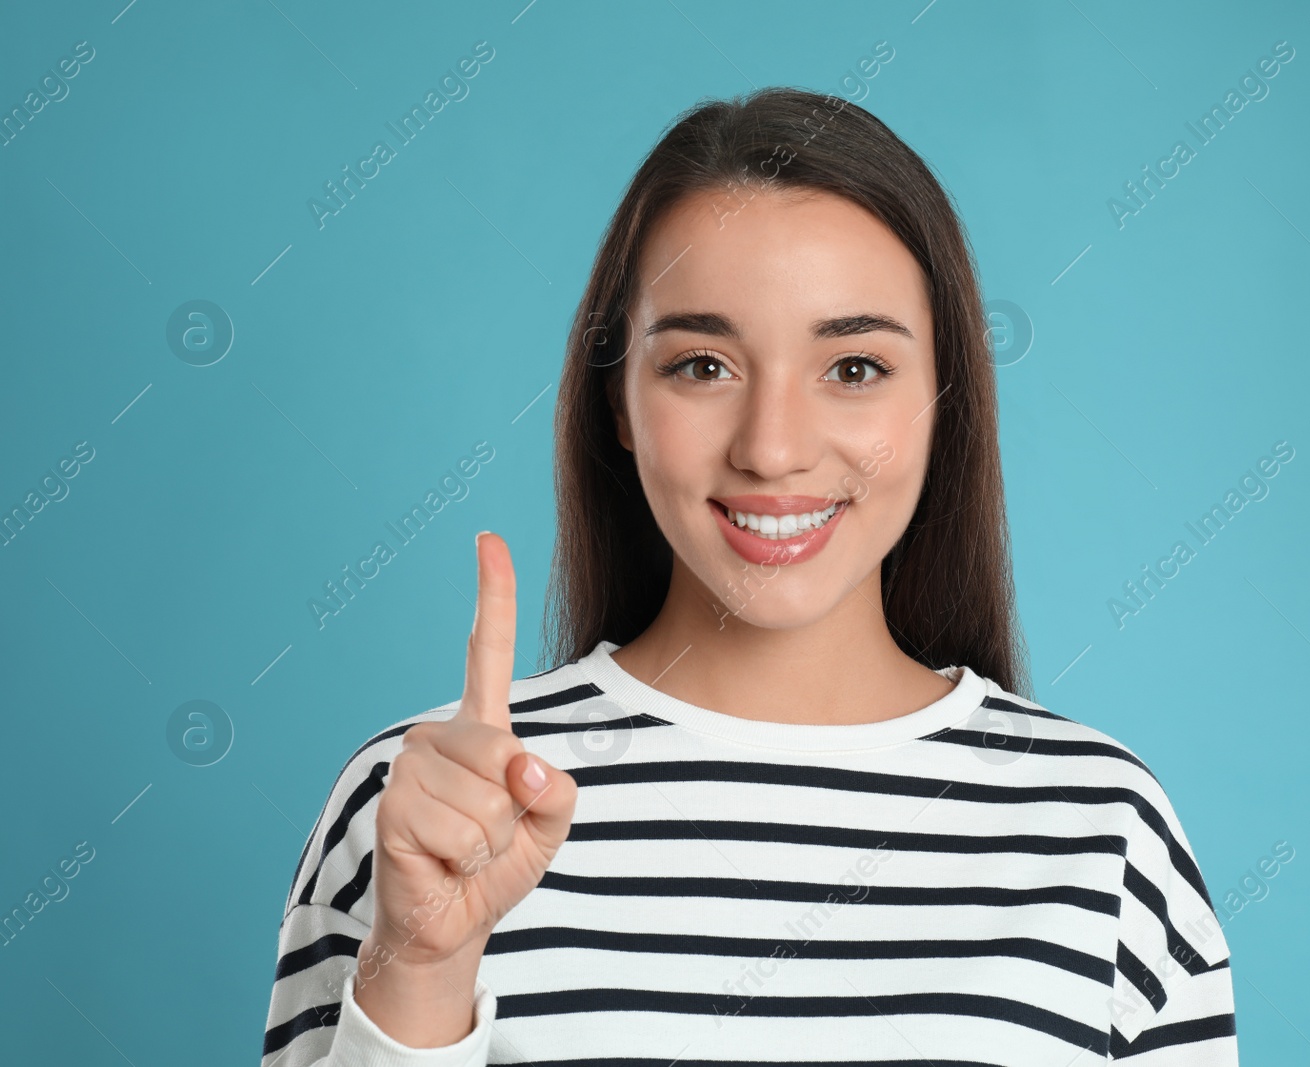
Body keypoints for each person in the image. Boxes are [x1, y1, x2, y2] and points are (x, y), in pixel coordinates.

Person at [260, 85, 1238, 1066]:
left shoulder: (1101, 830)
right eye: (702, 365)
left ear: (944, 403)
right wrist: (419, 971)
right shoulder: (424, 807)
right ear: (619, 405)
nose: (772, 451)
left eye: (853, 368)